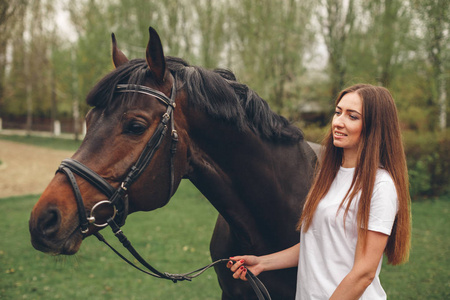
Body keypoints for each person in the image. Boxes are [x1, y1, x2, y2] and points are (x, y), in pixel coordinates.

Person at [227, 84, 411, 299]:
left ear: (375, 126)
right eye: (338, 112)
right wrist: (263, 263)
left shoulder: (380, 186)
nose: (338, 122)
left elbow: (364, 273)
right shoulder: (328, 174)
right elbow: (317, 242)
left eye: (352, 116)